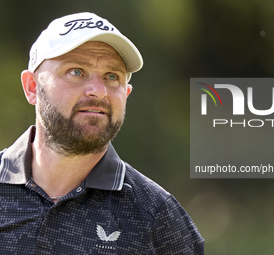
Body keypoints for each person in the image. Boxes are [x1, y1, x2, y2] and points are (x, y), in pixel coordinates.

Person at [0, 12, 204, 254]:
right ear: (32, 87)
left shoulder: (158, 216)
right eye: (76, 71)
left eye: (112, 76)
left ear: (126, 94)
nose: (99, 91)